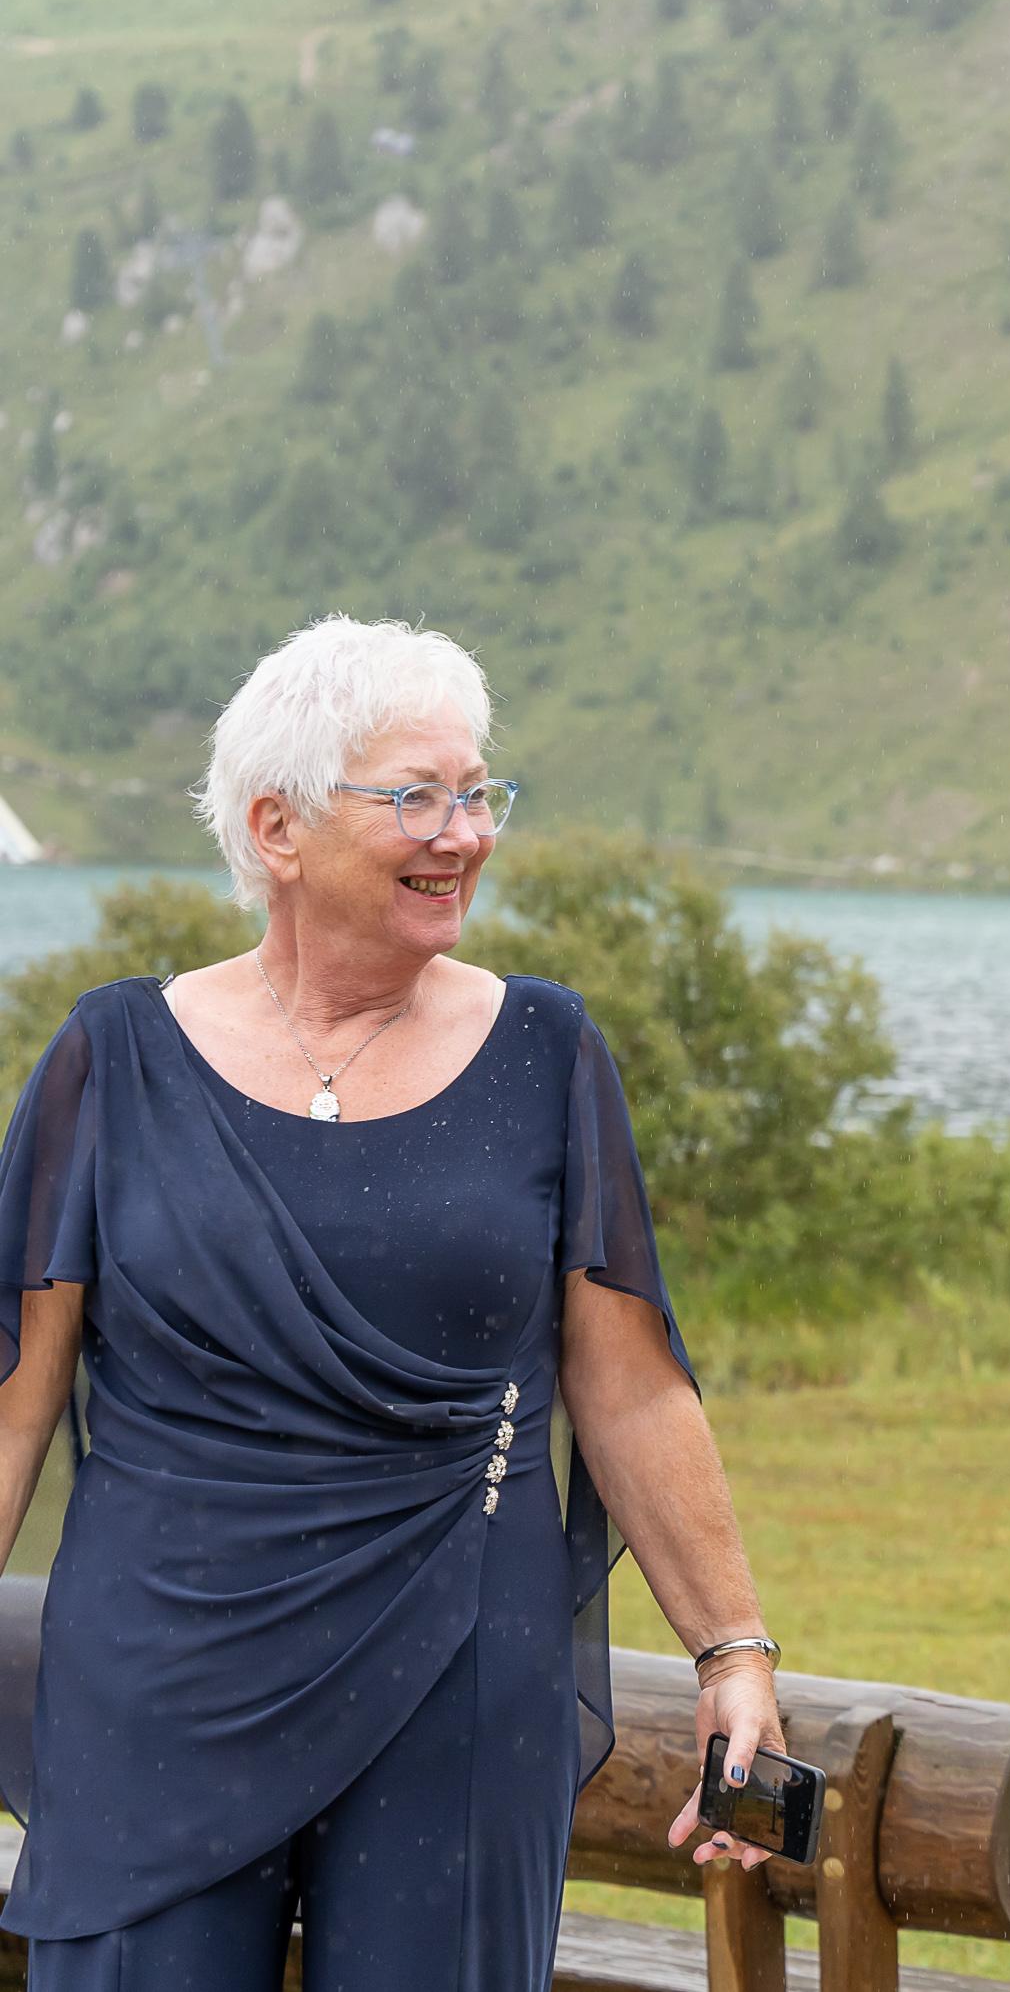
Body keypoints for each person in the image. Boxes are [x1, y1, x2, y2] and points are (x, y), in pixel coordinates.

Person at [0, 617, 785, 1991]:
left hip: (461, 1673)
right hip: (156, 1679)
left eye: (479, 794)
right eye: (417, 797)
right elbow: (13, 1402)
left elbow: (626, 1383)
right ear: (277, 828)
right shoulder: (110, 1058)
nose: (464, 834)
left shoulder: (546, 1051)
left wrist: (734, 1653)